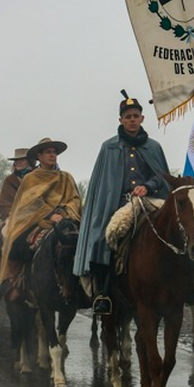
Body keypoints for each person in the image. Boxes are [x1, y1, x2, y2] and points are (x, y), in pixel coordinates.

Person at [74, 93, 171, 315]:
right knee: (102, 237)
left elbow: (162, 176)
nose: (132, 120)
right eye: (128, 117)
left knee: (175, 228)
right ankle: (102, 294)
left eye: (136, 116)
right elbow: (103, 183)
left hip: (148, 201)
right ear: (121, 120)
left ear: (142, 118)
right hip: (117, 204)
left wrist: (147, 186)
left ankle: (185, 286)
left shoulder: (153, 147)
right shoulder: (108, 147)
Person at [0, 138, 82, 292]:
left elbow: (75, 199)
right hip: (37, 221)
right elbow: (28, 203)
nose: (53, 155)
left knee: (82, 242)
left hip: (65, 219)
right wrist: (49, 215)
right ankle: (16, 282)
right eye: (48, 152)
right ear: (39, 156)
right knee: (17, 244)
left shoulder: (66, 177)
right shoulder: (31, 178)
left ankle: (88, 285)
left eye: (54, 152)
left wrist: (64, 213)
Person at [0, 148, 32, 221]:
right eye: (16, 160)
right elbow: (3, 206)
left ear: (29, 161)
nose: (18, 162)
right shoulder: (9, 180)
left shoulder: (37, 176)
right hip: (15, 217)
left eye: (22, 160)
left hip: (39, 213)